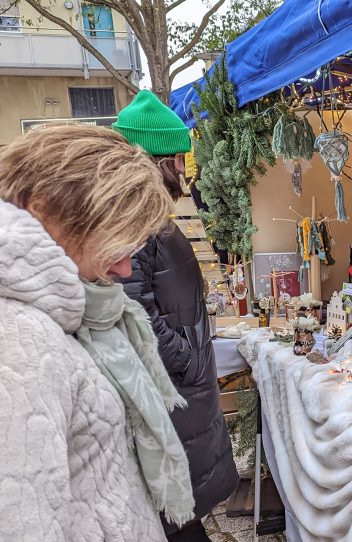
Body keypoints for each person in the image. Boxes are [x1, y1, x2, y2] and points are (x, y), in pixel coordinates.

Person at [0, 124, 192, 540]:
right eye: (115, 241)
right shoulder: (20, 340)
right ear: (44, 212)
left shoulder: (64, 312)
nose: (124, 267)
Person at [113, 90, 239, 541]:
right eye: (179, 160)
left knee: (184, 516)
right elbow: (133, 312)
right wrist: (185, 358)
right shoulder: (132, 221)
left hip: (178, 391)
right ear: (158, 161)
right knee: (180, 518)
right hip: (170, 392)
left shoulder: (145, 215)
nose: (185, 171)